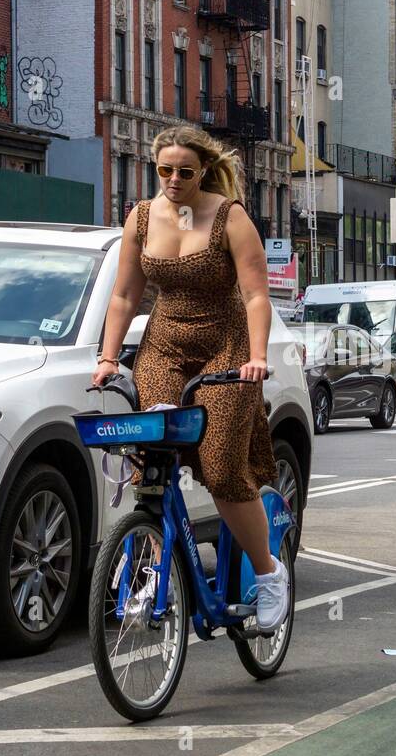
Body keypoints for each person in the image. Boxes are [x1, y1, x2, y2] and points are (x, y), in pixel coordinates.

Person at [92, 125, 290, 631]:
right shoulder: (140, 217)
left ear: (203, 170)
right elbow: (123, 296)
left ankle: (269, 575)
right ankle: (154, 564)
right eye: (164, 170)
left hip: (228, 347)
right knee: (151, 460)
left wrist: (258, 357)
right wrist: (108, 358)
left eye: (184, 171)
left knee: (222, 468)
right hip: (165, 345)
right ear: (153, 168)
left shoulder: (230, 216)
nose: (174, 180)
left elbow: (255, 297)